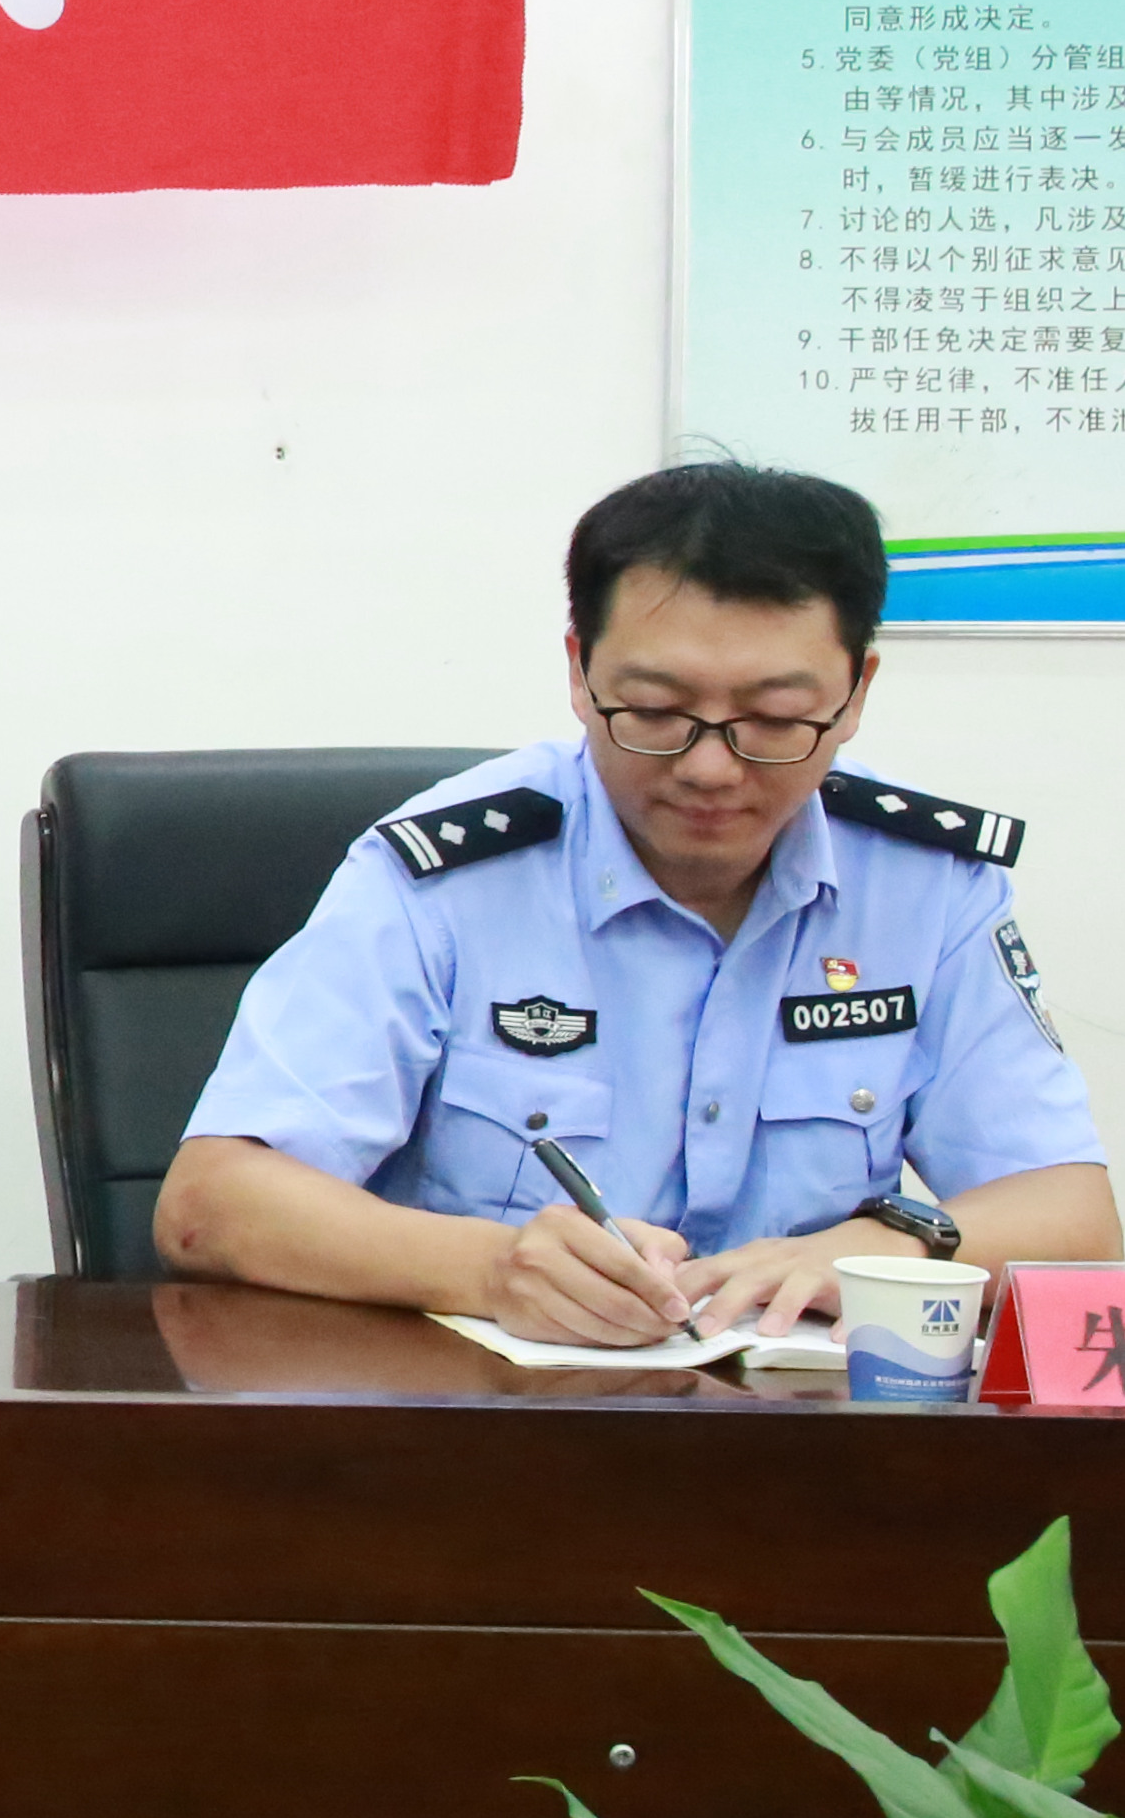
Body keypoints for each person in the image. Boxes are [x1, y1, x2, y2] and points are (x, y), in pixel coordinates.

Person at [160, 460, 1112, 1345]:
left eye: (775, 719)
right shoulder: (444, 876)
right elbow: (213, 1203)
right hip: (492, 1426)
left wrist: (887, 1247)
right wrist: (492, 1268)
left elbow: (1072, 1218)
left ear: (856, 691)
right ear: (580, 670)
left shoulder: (928, 882)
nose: (711, 767)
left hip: (807, 1432)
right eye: (655, 711)